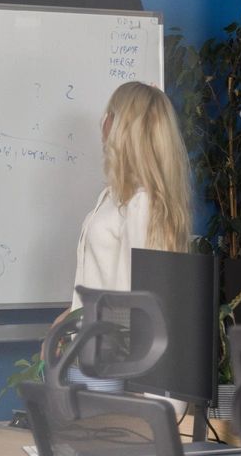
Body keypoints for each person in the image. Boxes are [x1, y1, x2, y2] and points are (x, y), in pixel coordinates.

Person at [70, 80, 194, 307]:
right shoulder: (113, 197)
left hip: (110, 340)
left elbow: (136, 303)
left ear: (121, 126)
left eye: (110, 113)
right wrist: (71, 318)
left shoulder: (142, 203)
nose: (103, 121)